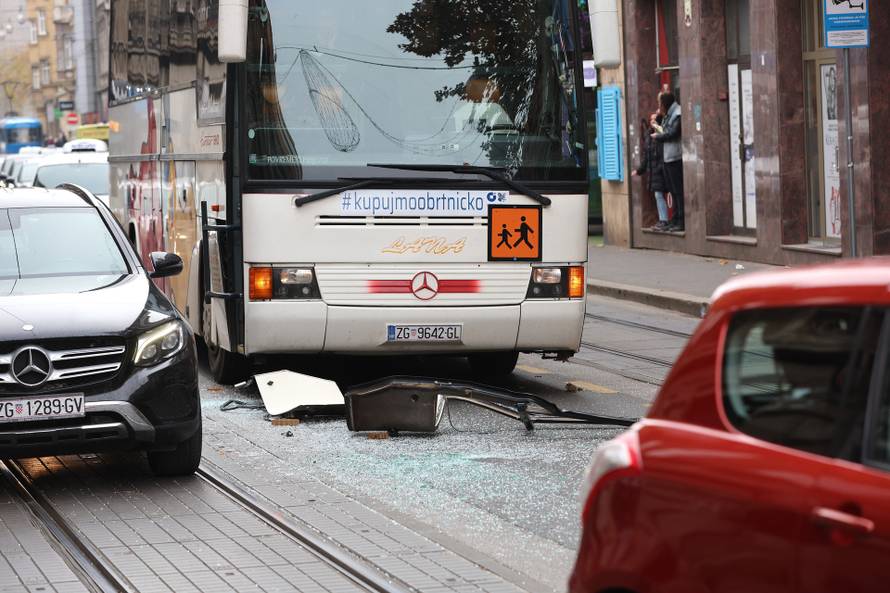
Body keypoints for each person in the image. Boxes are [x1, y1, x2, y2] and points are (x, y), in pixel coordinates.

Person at [652, 92, 684, 232]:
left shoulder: (677, 113)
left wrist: (658, 137)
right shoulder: (668, 114)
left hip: (675, 157)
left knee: (677, 191)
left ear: (665, 103)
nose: (659, 107)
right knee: (672, 190)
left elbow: (672, 133)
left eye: (660, 103)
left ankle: (681, 220)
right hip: (667, 156)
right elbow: (665, 129)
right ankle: (675, 219)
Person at [632, 112, 669, 231]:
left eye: (655, 120)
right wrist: (639, 170)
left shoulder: (662, 133)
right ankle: (663, 220)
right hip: (654, 171)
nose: (652, 122)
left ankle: (665, 220)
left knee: (662, 194)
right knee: (658, 195)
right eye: (651, 120)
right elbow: (646, 156)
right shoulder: (648, 135)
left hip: (662, 169)